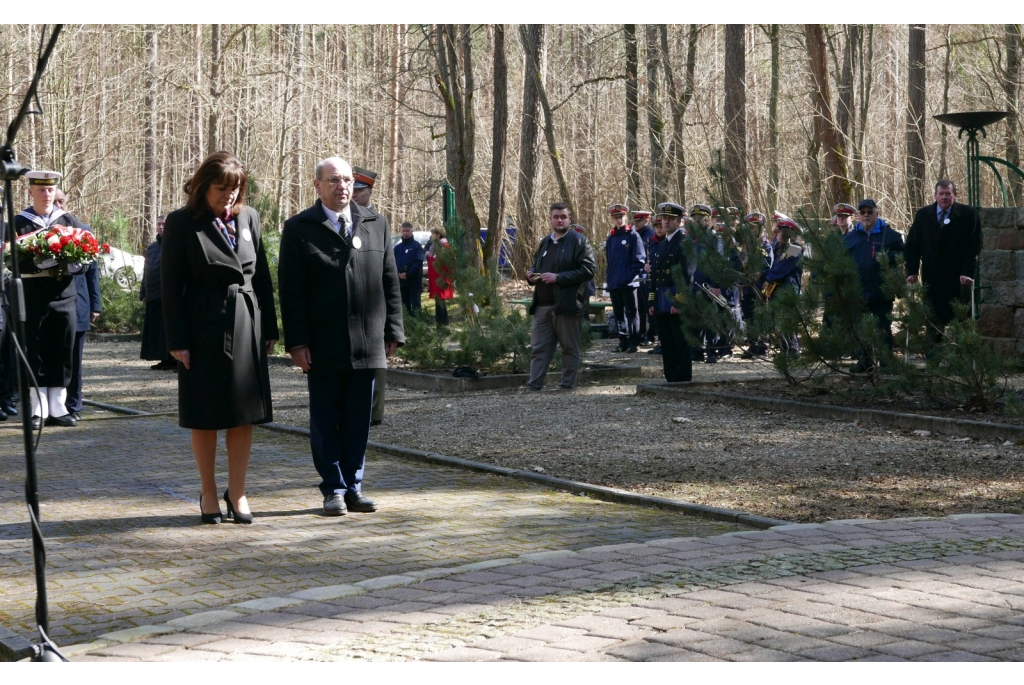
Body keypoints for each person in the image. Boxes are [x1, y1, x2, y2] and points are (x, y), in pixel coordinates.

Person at [278, 157, 404, 516]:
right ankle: (332, 487)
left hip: (368, 342)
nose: (342, 187)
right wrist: (297, 342)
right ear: (318, 186)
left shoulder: (376, 224)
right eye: (333, 180)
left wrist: (394, 329)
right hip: (323, 343)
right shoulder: (300, 227)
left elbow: (389, 281)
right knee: (325, 418)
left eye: (347, 180)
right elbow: (291, 291)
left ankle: (354, 486)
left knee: (358, 419)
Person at [162, 151, 278, 525]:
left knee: (243, 415)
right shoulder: (182, 223)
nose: (230, 195)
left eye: (236, 188)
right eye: (221, 188)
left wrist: (270, 329)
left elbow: (262, 279)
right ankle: (209, 491)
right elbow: (170, 286)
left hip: (246, 324)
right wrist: (177, 339)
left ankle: (238, 491)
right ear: (202, 186)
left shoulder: (250, 218)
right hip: (202, 328)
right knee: (205, 414)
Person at [12, 170, 88, 428]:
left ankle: (58, 406)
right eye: (41, 189)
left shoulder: (69, 220)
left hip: (64, 295)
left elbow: (87, 259)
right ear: (31, 191)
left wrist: (73, 263)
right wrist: (36, 263)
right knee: (36, 350)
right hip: (33, 298)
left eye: (50, 189)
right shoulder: (18, 223)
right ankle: (38, 407)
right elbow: (9, 260)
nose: (46, 194)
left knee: (62, 349)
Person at [525, 202, 597, 391]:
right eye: (556, 216)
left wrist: (559, 278)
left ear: (570, 219)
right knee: (539, 348)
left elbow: (589, 270)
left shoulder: (579, 241)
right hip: (542, 305)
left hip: (567, 304)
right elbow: (536, 264)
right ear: (550, 219)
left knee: (569, 347)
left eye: (563, 216)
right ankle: (534, 385)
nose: (559, 220)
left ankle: (566, 385)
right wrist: (532, 275)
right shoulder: (545, 242)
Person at [905, 180, 982, 342]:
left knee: (962, 321)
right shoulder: (923, 215)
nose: (944, 197)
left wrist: (967, 272)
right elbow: (913, 245)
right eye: (941, 194)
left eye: (948, 194)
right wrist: (912, 271)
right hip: (932, 278)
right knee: (933, 322)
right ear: (935, 196)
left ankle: (963, 362)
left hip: (959, 279)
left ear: (955, 195)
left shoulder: (968, 215)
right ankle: (933, 362)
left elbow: (974, 246)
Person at [53, 189, 101, 421]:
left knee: (75, 361)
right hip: (49, 307)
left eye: (61, 201)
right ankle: (51, 406)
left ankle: (73, 406)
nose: (57, 204)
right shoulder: (40, 233)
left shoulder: (83, 230)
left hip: (78, 306)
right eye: (53, 201)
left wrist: (95, 305)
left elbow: (93, 273)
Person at [843, 199, 906, 373]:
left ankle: (887, 362)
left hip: (882, 289)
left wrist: (887, 257)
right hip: (858, 290)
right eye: (862, 213)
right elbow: (842, 260)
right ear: (858, 215)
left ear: (876, 214)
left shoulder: (890, 234)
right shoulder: (851, 237)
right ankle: (865, 361)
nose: (866, 215)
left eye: (869, 212)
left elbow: (903, 253)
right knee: (862, 327)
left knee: (883, 327)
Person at [351, 165, 389, 427]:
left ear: (369, 192)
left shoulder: (379, 222)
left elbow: (388, 273)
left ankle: (375, 413)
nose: (354, 194)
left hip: (376, 306)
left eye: (360, 190)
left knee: (378, 365)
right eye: (352, 189)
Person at [648, 202, 691, 382]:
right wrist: (651, 301)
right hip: (661, 300)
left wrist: (679, 301)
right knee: (666, 341)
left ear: (680, 221)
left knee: (679, 340)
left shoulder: (683, 243)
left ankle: (682, 377)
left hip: (675, 300)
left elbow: (687, 275)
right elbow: (655, 277)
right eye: (664, 218)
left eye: (671, 219)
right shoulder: (660, 244)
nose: (666, 222)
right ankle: (671, 376)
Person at [604, 203, 645, 353]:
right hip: (615, 282)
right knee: (619, 313)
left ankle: (634, 342)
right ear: (612, 219)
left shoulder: (633, 235)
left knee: (632, 312)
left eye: (620, 217)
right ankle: (623, 341)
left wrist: (629, 278)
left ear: (625, 217)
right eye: (615, 217)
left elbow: (639, 260)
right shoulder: (611, 238)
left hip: (629, 283)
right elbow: (610, 262)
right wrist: (609, 279)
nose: (618, 220)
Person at [140, 214, 176, 370]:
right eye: (159, 224)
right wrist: (143, 293)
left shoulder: (174, 244)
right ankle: (163, 359)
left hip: (167, 296)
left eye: (164, 224)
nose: (161, 227)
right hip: (153, 295)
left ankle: (173, 360)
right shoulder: (152, 247)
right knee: (157, 331)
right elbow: (147, 270)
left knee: (167, 330)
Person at [738, 212, 774, 359]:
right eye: (750, 227)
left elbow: (768, 267)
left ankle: (762, 346)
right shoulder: (745, 247)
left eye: (755, 227)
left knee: (758, 315)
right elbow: (738, 264)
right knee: (748, 316)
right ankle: (753, 345)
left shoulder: (766, 246)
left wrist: (757, 272)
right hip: (746, 287)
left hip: (759, 288)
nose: (753, 230)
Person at [632, 210, 655, 345]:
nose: (636, 224)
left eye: (639, 221)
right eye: (635, 221)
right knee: (640, 307)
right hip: (638, 276)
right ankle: (641, 333)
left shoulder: (650, 235)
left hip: (648, 276)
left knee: (649, 307)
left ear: (646, 220)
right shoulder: (635, 235)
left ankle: (651, 334)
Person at [395, 221, 425, 317]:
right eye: (403, 231)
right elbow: (391, 263)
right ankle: (406, 327)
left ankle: (418, 327)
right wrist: (398, 274)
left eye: (407, 231)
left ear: (412, 231)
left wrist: (408, 274)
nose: (405, 233)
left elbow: (418, 262)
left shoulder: (417, 246)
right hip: (402, 283)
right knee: (404, 306)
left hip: (414, 282)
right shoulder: (397, 248)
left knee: (415, 305)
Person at [426, 227, 454, 327]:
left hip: (441, 278)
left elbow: (445, 262)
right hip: (435, 277)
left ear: (438, 235)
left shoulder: (444, 246)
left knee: (441, 300)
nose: (431, 236)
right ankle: (441, 322)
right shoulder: (434, 246)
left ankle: (443, 322)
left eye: (432, 234)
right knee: (438, 300)